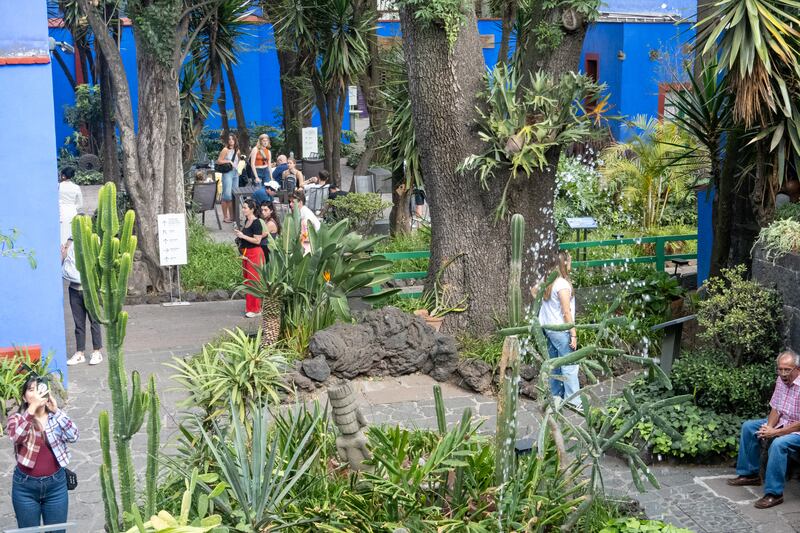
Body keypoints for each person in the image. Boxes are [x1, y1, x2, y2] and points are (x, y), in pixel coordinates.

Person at [727, 350, 800, 509]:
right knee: (749, 427)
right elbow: (776, 407)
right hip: (783, 422)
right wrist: (769, 427)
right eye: (780, 369)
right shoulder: (781, 380)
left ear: (797, 369)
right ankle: (750, 474)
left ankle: (774, 493)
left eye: (787, 370)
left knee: (779, 444)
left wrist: (775, 433)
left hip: (797, 429)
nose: (782, 373)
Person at [7, 373, 78, 530]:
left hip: (56, 485)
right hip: (25, 487)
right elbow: (16, 436)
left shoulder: (55, 417)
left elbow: (74, 435)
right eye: (31, 390)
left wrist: (57, 411)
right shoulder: (17, 419)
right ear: (25, 397)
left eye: (39, 389)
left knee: (58, 531)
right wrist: (32, 409)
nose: (36, 393)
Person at [537, 251, 581, 407]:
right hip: (561, 331)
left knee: (555, 364)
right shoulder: (562, 284)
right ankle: (574, 401)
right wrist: (573, 334)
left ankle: (555, 397)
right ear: (563, 264)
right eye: (568, 262)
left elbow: (533, 291)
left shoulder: (547, 282)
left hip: (548, 329)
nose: (570, 264)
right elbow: (566, 311)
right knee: (569, 364)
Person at [62, 239, 103, 366]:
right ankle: (79, 353)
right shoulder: (71, 242)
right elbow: (65, 265)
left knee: (94, 321)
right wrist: (64, 253)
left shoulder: (93, 240)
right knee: (78, 323)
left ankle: (97, 351)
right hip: (74, 289)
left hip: (89, 289)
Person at [234, 198, 266, 318]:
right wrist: (239, 236)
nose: (243, 210)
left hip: (255, 253)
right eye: (243, 207)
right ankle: (250, 307)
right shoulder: (247, 221)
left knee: (254, 280)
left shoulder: (257, 222)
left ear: (252, 209)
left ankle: (256, 309)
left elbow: (257, 240)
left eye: (245, 208)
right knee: (248, 280)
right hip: (246, 253)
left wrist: (243, 236)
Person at [217, 133, 240, 223]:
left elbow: (238, 161)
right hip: (227, 173)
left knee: (235, 194)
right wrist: (229, 161)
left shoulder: (237, 150)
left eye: (232, 139)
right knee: (227, 195)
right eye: (229, 139)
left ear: (235, 140)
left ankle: (233, 216)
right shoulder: (225, 150)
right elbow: (219, 161)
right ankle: (225, 216)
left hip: (235, 173)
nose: (231, 141)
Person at [291, 189, 320, 254]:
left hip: (310, 246)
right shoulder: (300, 211)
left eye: (293, 202)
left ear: (300, 202)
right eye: (290, 202)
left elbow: (305, 235)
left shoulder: (305, 215)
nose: (290, 204)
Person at [58, 168, 82, 245]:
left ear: (63, 176)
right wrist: (73, 207)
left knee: (62, 235)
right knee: (71, 235)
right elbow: (80, 204)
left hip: (61, 212)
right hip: (72, 212)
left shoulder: (58, 186)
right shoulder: (76, 187)